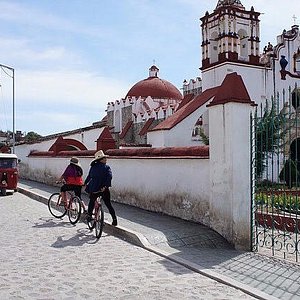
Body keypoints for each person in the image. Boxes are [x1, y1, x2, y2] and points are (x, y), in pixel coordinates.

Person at [84, 150, 117, 226]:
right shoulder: (106, 167)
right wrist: (105, 186)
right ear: (101, 160)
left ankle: (89, 215)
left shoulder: (93, 167)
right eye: (104, 158)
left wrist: (85, 183)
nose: (106, 160)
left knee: (92, 201)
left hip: (94, 188)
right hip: (103, 188)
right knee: (108, 204)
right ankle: (114, 220)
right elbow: (109, 177)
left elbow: (89, 176)